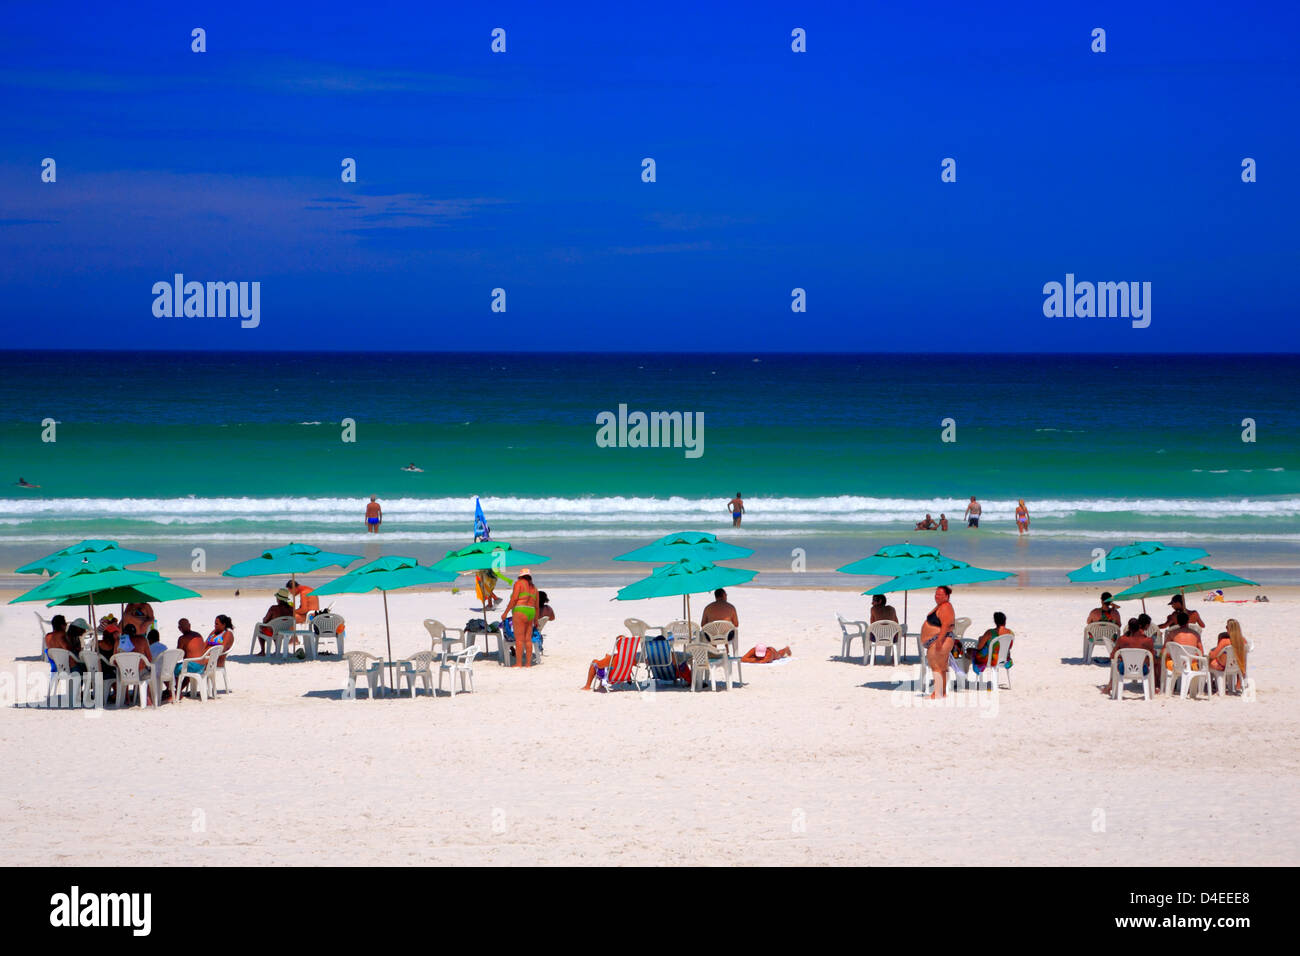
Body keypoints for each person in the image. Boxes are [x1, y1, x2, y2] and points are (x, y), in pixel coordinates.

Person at [920, 585, 956, 699]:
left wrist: (940, 641)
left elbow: (946, 625)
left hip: (940, 639)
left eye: (940, 594)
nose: (937, 596)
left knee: (936, 667)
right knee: (942, 667)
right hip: (937, 639)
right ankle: (942, 692)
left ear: (947, 596)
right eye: (936, 594)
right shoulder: (940, 606)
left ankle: (937, 693)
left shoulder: (946, 606)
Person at [1105, 618, 1157, 695]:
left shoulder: (1122, 640)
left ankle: (1109, 687)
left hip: (1123, 669)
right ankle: (1154, 687)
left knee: (1118, 664)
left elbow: (1112, 656)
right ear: (1139, 627)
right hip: (1142, 670)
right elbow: (1152, 657)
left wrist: (1121, 657)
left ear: (1129, 628)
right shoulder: (1148, 640)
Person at [502, 569, 539, 667]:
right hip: (531, 611)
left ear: (520, 576)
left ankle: (518, 663)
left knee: (519, 639)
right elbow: (537, 605)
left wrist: (505, 612)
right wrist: (536, 620)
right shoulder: (534, 588)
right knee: (528, 639)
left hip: (520, 610)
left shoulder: (518, 583)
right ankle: (528, 664)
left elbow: (514, 599)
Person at [1207, 619, 1248, 691]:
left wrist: (1210, 652)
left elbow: (1213, 655)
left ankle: (1212, 684)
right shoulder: (1243, 641)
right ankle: (1237, 686)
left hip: (1222, 667)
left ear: (1229, 629)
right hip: (1237, 667)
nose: (1226, 629)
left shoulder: (1225, 642)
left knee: (1208, 661)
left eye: (1226, 627)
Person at [256, 588, 295, 656]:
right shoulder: (291, 609)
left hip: (272, 633)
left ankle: (262, 650)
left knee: (260, 627)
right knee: (276, 626)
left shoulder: (273, 608)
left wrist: (267, 620)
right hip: (285, 632)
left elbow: (265, 620)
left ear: (279, 599)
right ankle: (277, 649)